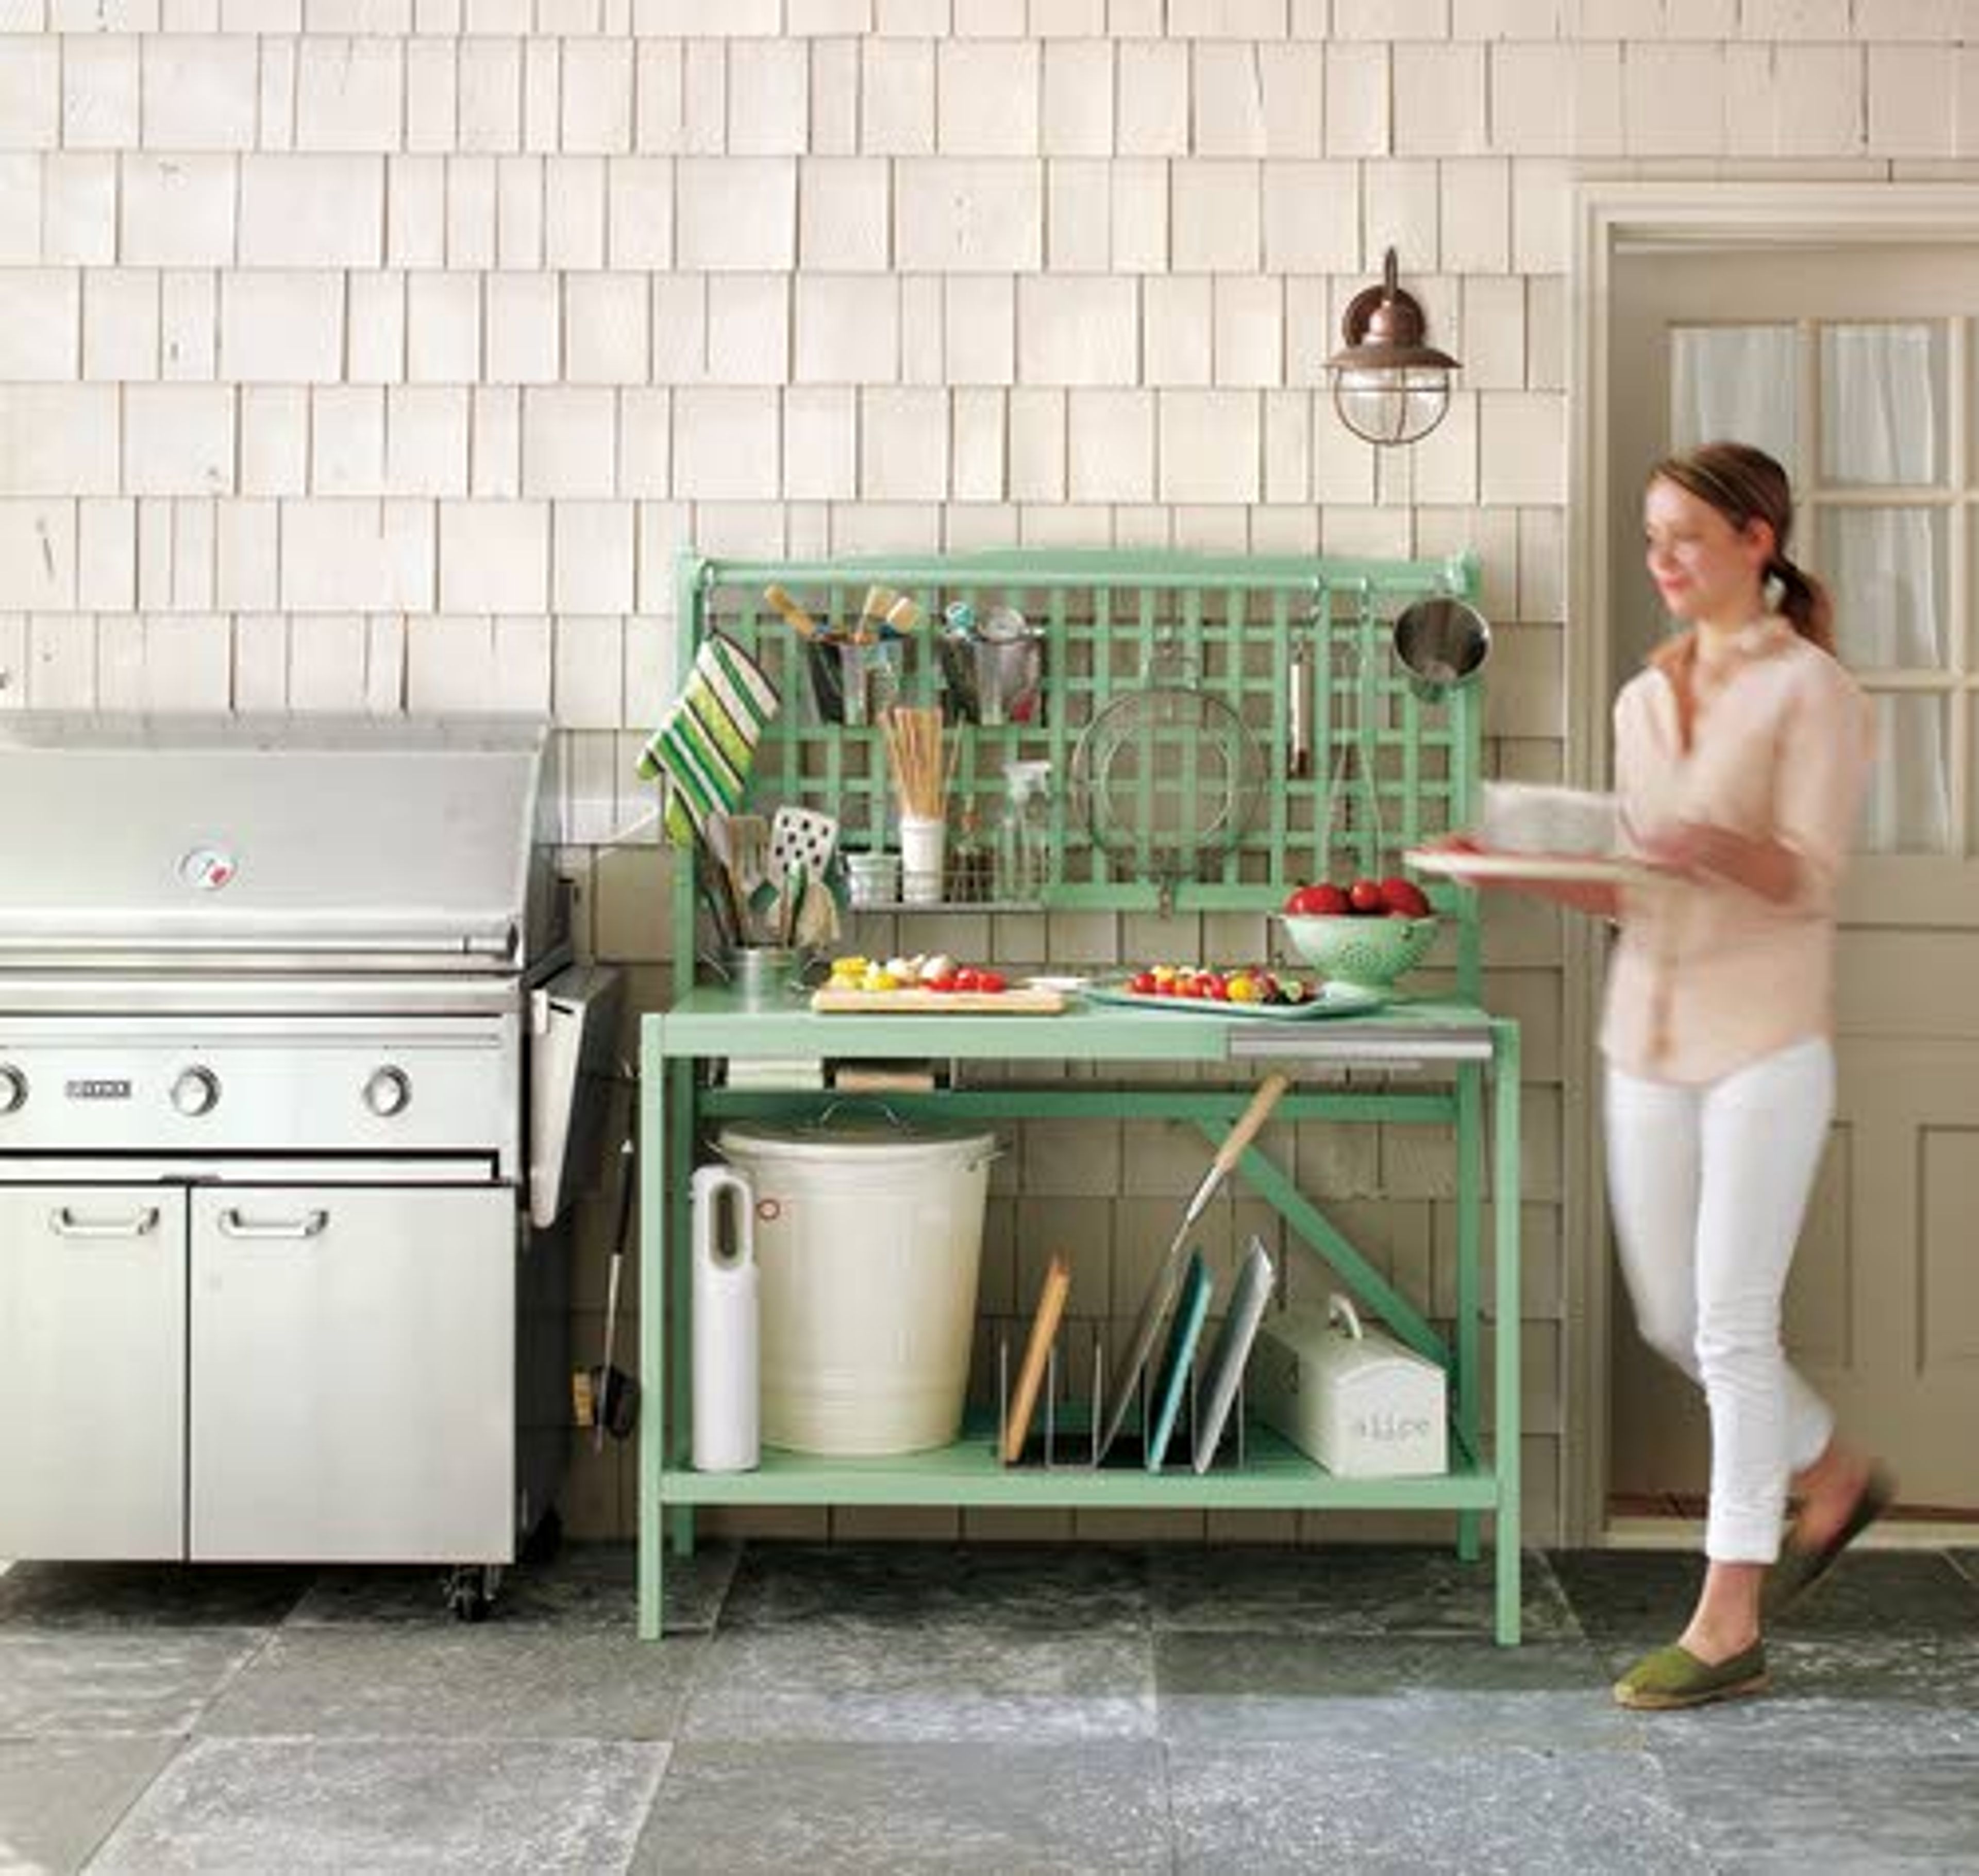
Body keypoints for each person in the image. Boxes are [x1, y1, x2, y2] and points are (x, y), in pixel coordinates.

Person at [1467, 442, 1891, 1710]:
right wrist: (1515, 867)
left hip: (1763, 1041)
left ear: (1759, 539)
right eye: (1652, 538)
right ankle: (1832, 1472)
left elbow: (1807, 874)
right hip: (1642, 1034)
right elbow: (1634, 886)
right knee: (1668, 1314)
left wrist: (1707, 840)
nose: (1662, 561)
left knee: (1729, 1323)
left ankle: (1727, 1618)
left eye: (1686, 538)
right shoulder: (1644, 699)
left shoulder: (1814, 692)